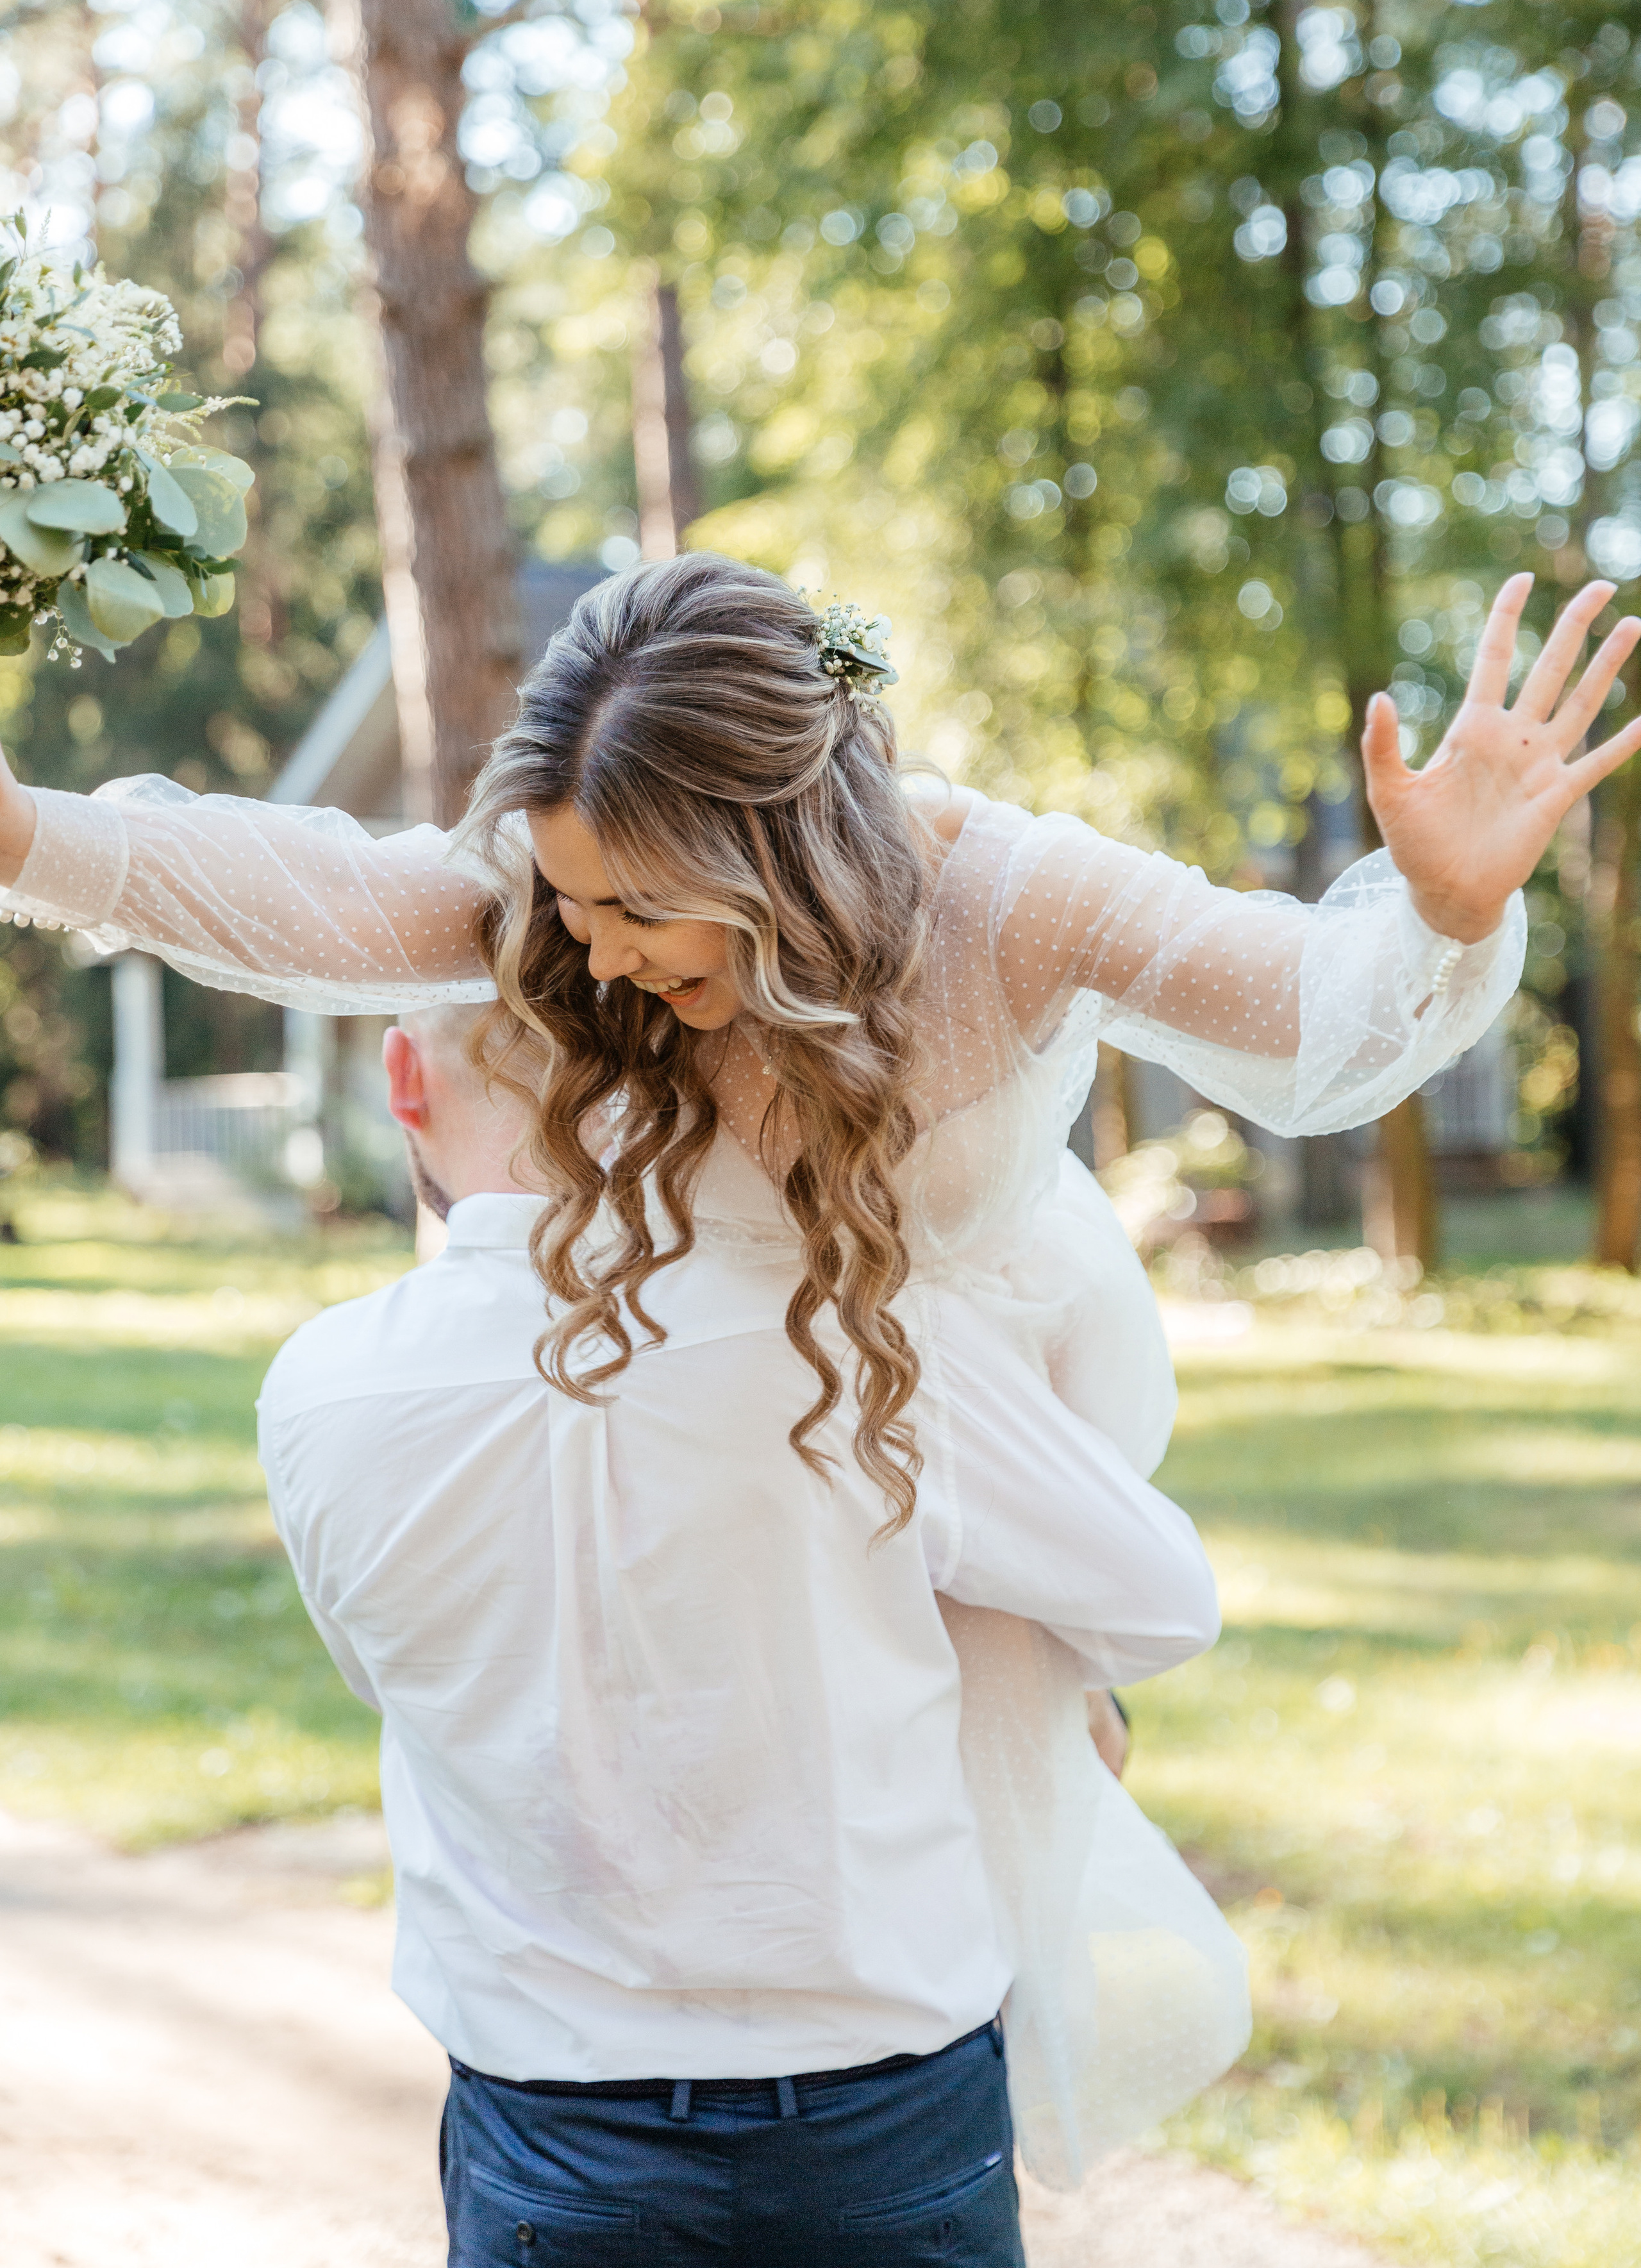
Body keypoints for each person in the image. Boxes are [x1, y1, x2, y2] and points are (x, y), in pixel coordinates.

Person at [0, 555, 1635, 2260]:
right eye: (565, 901)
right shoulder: (569, 911)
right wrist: (27, 833)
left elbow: (1313, 1018)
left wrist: (1443, 916)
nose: (589, 955)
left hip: (948, 1421)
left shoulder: (1009, 896)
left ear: (770, 857)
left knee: (918, 1919)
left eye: (637, 909)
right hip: (753, 1437)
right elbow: (315, 890)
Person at [260, 999, 1195, 2258]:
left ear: (402, 1079)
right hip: (884, 2115)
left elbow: (394, 1681)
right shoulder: (852, 1335)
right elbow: (1157, 1601)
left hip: (550, 2137)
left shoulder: (321, 1390)